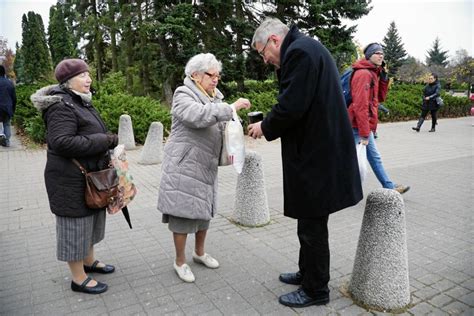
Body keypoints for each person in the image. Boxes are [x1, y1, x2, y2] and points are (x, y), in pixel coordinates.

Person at [248, 18, 362, 308]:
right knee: (308, 221)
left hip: (316, 156)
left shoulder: (298, 52)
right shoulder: (304, 48)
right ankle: (307, 272)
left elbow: (292, 105)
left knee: (312, 224)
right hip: (317, 152)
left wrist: (265, 126)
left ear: (274, 40)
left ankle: (315, 290)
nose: (265, 60)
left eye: (263, 53)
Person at [157, 53, 250, 283]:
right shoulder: (183, 93)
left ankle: (199, 253)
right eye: (211, 75)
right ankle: (180, 261)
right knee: (182, 215)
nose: (216, 79)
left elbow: (216, 122)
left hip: (205, 164)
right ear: (195, 75)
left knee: (204, 213)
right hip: (184, 165)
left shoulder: (214, 96)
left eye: (218, 75)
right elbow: (197, 116)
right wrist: (230, 109)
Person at [31, 59, 118, 294]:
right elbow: (61, 142)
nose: (88, 79)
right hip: (69, 180)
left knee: (90, 221)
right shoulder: (61, 106)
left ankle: (89, 262)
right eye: (82, 76)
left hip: (89, 176)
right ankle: (78, 278)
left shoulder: (80, 101)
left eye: (89, 74)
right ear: (68, 81)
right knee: (75, 226)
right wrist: (104, 140)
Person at [348, 43, 410, 194]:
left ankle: (388, 185)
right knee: (372, 157)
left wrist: (384, 78)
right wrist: (364, 132)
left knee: (366, 157)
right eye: (376, 53)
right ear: (368, 55)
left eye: (382, 53)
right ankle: (389, 186)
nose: (380, 55)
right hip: (358, 124)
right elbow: (360, 105)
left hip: (361, 123)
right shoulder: (363, 74)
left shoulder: (373, 73)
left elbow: (380, 98)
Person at [0, 65, 17, 147]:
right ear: (4, 72)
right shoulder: (9, 83)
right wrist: (13, 109)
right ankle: (6, 141)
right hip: (7, 108)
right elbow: (14, 98)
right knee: (6, 124)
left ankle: (1, 136)